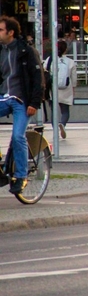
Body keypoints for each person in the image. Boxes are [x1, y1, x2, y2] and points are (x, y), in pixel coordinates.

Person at [0, 16, 43, 194]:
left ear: (10, 32)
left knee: (18, 136)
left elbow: (37, 79)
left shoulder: (26, 51)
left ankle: (21, 175)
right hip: (3, 97)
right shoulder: (0, 51)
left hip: (21, 101)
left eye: (1, 30)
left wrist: (34, 103)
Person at [44, 40, 77, 139]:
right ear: (65, 50)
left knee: (54, 111)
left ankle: (55, 132)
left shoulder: (50, 59)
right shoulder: (71, 62)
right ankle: (62, 124)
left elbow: (44, 71)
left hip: (53, 89)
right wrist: (73, 88)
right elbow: (74, 78)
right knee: (65, 111)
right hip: (66, 88)